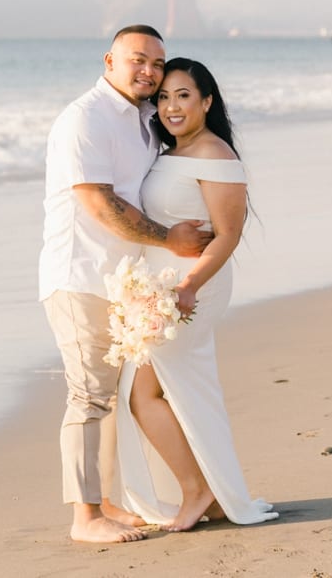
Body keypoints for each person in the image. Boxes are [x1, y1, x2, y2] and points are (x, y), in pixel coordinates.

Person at [40, 24, 211, 544]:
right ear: (108, 61)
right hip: (81, 275)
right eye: (137, 60)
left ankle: (108, 502)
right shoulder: (84, 118)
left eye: (157, 64)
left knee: (110, 399)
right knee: (89, 396)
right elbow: (97, 200)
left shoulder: (141, 119)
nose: (148, 71)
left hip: (119, 284)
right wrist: (169, 240)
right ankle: (84, 518)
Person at [113, 57, 278, 530]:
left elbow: (227, 234)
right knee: (172, 392)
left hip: (189, 290)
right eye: (163, 97)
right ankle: (208, 488)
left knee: (144, 395)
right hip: (162, 289)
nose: (171, 106)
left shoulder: (216, 155)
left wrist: (188, 285)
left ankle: (196, 489)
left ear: (207, 101)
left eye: (183, 95)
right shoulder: (171, 153)